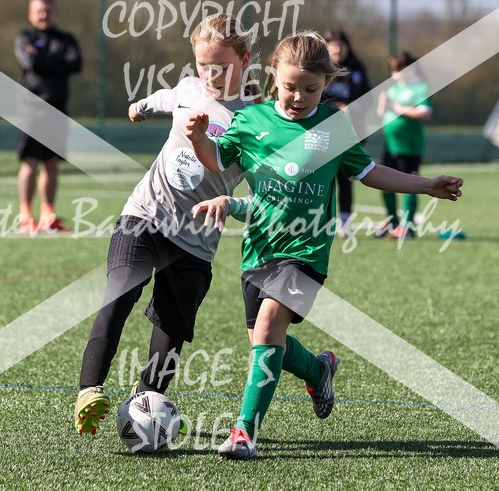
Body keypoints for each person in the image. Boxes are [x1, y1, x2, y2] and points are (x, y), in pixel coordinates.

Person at [185, 31, 463, 459]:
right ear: (273, 76)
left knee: (267, 327)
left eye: (311, 89)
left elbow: (370, 172)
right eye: (291, 86)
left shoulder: (333, 127)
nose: (299, 96)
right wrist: (199, 138)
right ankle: (319, 369)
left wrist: (427, 186)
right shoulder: (251, 122)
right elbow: (217, 161)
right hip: (259, 250)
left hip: (306, 254)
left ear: (327, 84)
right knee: (265, 342)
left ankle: (244, 432)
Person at [74, 13, 262, 436]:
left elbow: (266, 197)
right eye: (203, 65)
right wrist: (139, 107)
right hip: (145, 215)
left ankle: (145, 406)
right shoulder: (190, 90)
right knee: (118, 293)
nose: (211, 75)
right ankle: (89, 390)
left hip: (195, 243)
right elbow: (166, 97)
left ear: (246, 59)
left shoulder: (257, 121)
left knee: (170, 333)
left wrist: (232, 205)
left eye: (222, 66)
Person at [14, 0, 82, 233]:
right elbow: (30, 63)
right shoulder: (24, 37)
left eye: (48, 10)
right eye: (39, 10)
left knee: (51, 162)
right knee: (30, 162)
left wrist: (43, 57)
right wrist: (56, 59)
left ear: (55, 12)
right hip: (30, 109)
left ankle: (48, 215)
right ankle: (25, 216)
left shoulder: (66, 38)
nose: (44, 14)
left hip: (57, 108)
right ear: (30, 13)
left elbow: (76, 63)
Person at [376, 51, 433, 239]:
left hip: (409, 146)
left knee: (411, 183)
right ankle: (392, 222)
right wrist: (383, 105)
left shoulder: (420, 88)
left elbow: (425, 113)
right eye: (393, 71)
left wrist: (398, 108)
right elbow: (381, 113)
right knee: (384, 184)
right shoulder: (393, 88)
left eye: (399, 70)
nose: (396, 74)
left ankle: (408, 227)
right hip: (390, 144)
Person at [322, 29, 372, 236]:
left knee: (346, 177)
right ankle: (319, 221)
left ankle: (344, 223)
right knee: (322, 179)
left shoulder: (357, 70)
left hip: (349, 133)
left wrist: (353, 108)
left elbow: (369, 98)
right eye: (332, 45)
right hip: (323, 133)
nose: (337, 49)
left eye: (341, 45)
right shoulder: (319, 68)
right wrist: (334, 107)